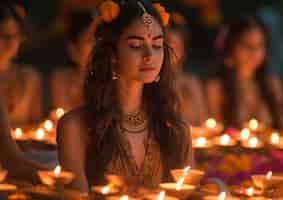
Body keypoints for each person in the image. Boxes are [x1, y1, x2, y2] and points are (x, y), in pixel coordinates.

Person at [57, 0, 194, 192]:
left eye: (157, 45)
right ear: (111, 54)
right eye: (136, 45)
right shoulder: (75, 127)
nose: (149, 55)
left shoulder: (175, 130)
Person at [206, 16, 283, 129]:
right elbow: (213, 131)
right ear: (231, 47)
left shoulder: (272, 84)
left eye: (260, 45)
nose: (254, 52)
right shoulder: (216, 87)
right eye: (246, 45)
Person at [0, 3, 42, 125]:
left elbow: (36, 125)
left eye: (15, 35)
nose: (11, 41)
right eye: (4, 35)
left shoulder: (31, 77)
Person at [50, 10, 98, 111]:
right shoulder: (60, 79)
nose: (96, 46)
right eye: (90, 40)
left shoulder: (113, 81)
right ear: (73, 47)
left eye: (99, 40)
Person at [166, 12, 207, 126]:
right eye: (161, 45)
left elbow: (202, 122)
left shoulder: (192, 83)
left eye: (173, 46)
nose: (167, 51)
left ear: (183, 49)